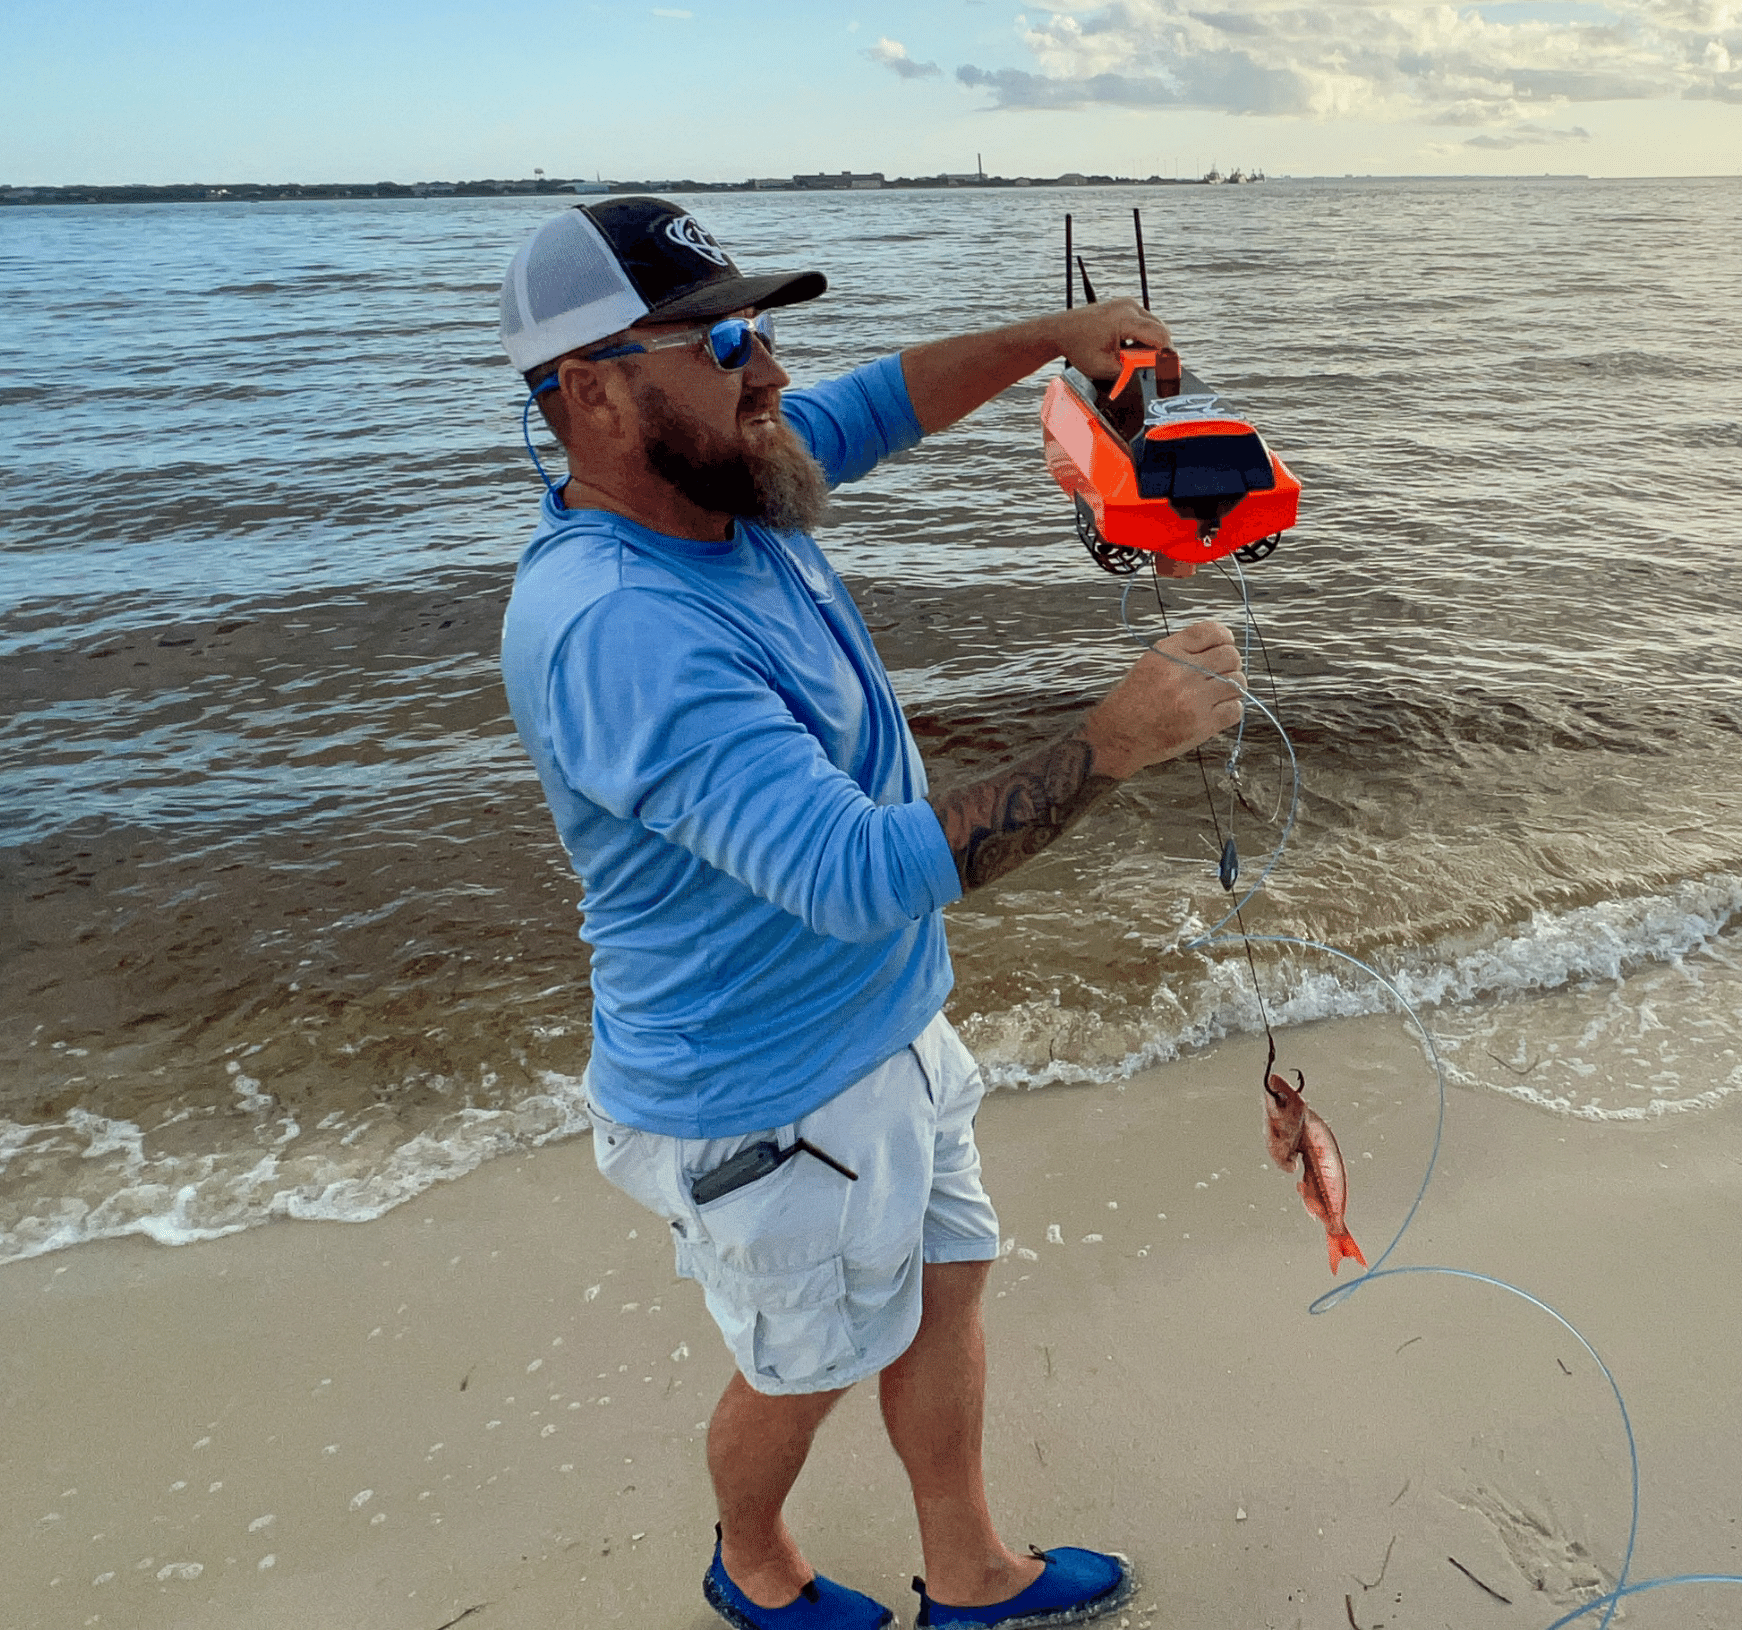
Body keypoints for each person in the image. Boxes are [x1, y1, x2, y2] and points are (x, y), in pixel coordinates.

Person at [497, 198, 1243, 1630]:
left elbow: (885, 401)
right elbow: (849, 873)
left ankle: (970, 1570)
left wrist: (1062, 338)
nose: (767, 366)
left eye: (761, 325)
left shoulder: (725, 470)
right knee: (807, 1358)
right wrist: (1114, 740)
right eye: (722, 340)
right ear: (592, 394)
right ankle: (752, 1559)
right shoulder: (620, 625)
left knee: (947, 1277)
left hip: (881, 1029)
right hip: (762, 1093)